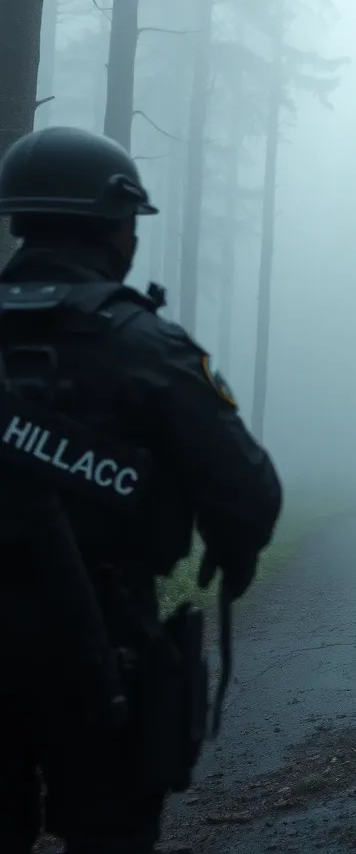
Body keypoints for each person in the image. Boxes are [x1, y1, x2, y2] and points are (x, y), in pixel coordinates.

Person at [0, 127, 283, 854]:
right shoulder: (145, 344)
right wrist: (234, 548)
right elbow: (248, 491)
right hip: (97, 648)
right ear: (117, 227)